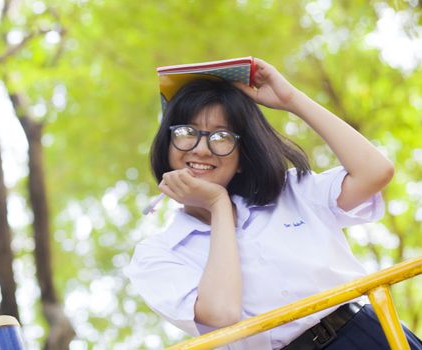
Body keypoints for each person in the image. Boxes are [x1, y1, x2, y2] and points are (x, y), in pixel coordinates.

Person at [124, 58, 422, 349]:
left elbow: (376, 172)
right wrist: (218, 205)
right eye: (186, 133)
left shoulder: (291, 191)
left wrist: (291, 99)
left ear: (242, 158)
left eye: (222, 136)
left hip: (368, 335)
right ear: (167, 144)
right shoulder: (157, 254)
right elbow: (223, 313)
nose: (202, 148)